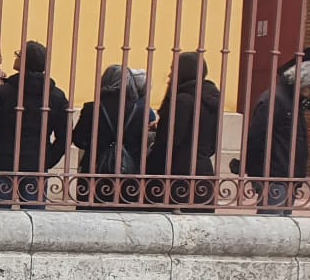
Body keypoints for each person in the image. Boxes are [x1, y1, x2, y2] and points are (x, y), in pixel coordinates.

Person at [0, 41, 69, 207]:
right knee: (35, 215)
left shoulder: (5, 92)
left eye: (19, 54)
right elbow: (65, 136)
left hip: (4, 160)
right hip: (36, 163)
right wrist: (47, 160)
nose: (16, 56)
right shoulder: (56, 96)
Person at [241, 59, 310, 214]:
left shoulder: (294, 102)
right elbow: (257, 137)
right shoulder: (276, 100)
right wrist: (256, 172)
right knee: (272, 226)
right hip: (274, 175)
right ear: (302, 82)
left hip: (287, 175)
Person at [148, 50, 222, 210]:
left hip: (180, 176)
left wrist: (150, 169)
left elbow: (168, 142)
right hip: (204, 174)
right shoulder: (212, 99)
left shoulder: (182, 100)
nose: (169, 75)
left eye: (173, 69)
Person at [70, 65, 147, 206]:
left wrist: (97, 145)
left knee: (90, 213)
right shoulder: (140, 111)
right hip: (127, 171)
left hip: (95, 168)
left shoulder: (92, 108)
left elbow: (78, 139)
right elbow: (142, 143)